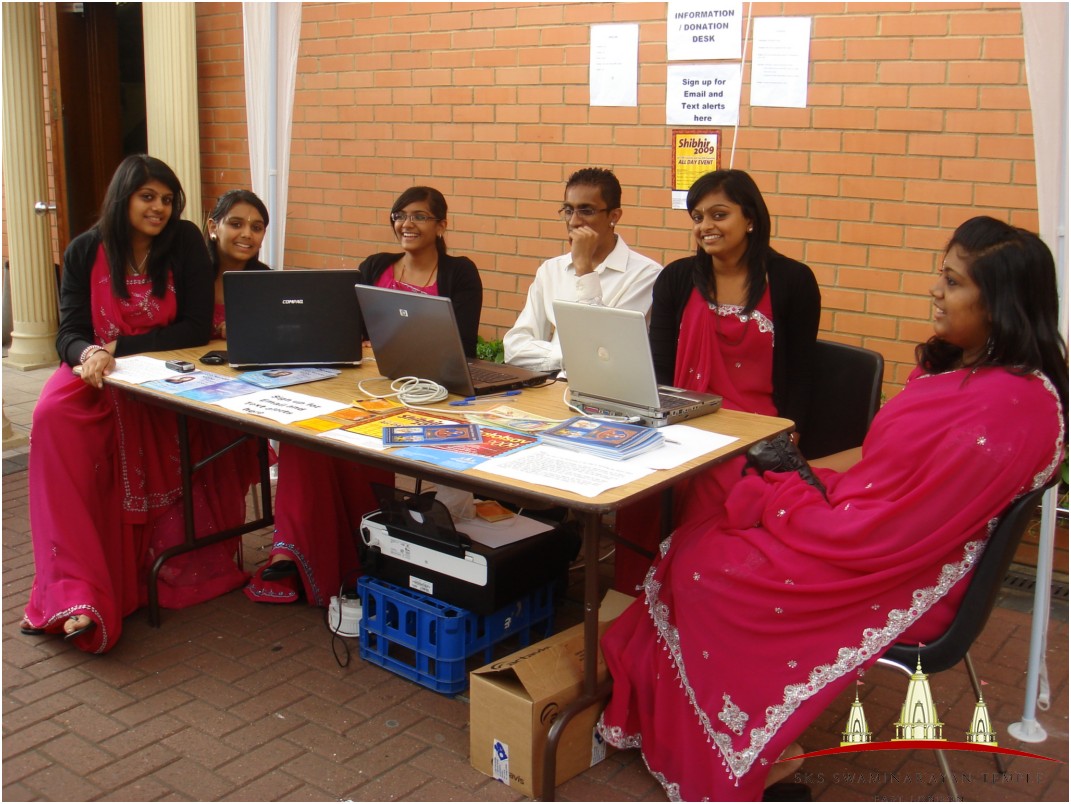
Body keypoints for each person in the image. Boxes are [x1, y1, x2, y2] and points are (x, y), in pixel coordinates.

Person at [597, 216, 1068, 801]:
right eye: (941, 276)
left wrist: (792, 495)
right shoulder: (979, 374)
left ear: (1000, 303)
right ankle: (706, 728)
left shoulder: (1006, 409)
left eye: (952, 282)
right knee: (707, 530)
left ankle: (746, 750)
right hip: (877, 529)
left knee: (707, 568)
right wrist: (798, 478)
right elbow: (886, 467)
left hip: (904, 571)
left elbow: (895, 528)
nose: (935, 291)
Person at [21, 155, 252, 653]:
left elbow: (194, 327)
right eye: (148, 197)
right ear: (122, 197)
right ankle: (76, 591)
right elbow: (69, 331)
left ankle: (155, 567)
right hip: (98, 372)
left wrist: (119, 347)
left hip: (161, 372)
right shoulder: (85, 249)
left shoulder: (183, 241)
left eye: (167, 199)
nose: (159, 208)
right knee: (52, 417)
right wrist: (89, 354)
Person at [245, 186, 482, 605]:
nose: (406, 224)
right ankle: (308, 550)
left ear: (442, 225)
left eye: (419, 216)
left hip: (431, 392)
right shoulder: (376, 266)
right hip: (368, 387)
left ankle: (363, 542)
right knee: (306, 437)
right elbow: (349, 328)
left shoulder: (459, 272)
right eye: (399, 215)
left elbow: (461, 344)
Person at [613, 169, 821, 592]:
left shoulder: (792, 281)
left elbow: (802, 371)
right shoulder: (677, 278)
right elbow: (659, 366)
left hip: (756, 430)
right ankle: (634, 594)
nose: (705, 226)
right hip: (685, 416)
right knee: (637, 475)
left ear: (751, 219)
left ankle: (691, 592)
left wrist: (790, 433)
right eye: (697, 217)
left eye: (719, 214)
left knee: (714, 481)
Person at [503, 167, 662, 372]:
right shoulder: (551, 270)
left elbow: (605, 354)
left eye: (586, 211)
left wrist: (584, 271)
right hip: (553, 384)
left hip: (607, 389)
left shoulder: (646, 275)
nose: (574, 221)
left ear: (614, 216)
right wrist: (567, 357)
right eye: (568, 210)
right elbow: (514, 347)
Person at [205, 189, 271, 339]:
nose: (247, 234)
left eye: (256, 228)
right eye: (236, 224)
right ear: (213, 228)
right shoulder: (190, 275)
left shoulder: (268, 282)